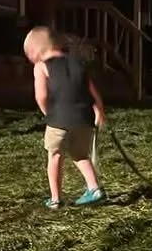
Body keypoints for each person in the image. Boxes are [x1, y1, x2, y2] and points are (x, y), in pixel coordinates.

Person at [23, 26, 106, 209]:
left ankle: (55, 199)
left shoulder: (41, 66)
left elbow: (41, 96)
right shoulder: (78, 63)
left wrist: (48, 113)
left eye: (29, 54)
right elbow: (92, 91)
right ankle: (95, 188)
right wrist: (99, 111)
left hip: (58, 120)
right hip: (84, 119)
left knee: (55, 156)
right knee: (80, 155)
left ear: (36, 51)